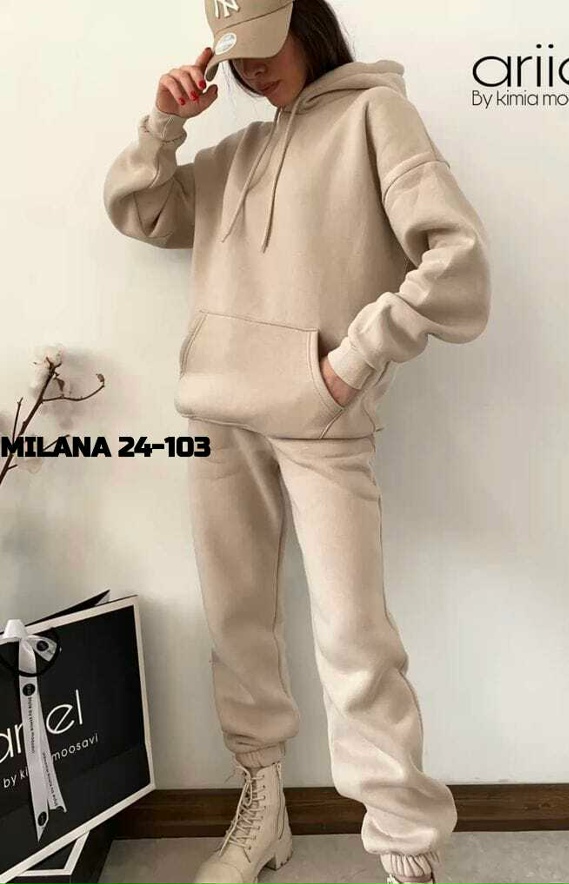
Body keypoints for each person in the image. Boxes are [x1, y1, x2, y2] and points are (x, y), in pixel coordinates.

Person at [102, 1, 491, 882]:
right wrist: (165, 123)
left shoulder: (375, 114)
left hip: (322, 416)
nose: (251, 69)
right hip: (217, 413)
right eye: (234, 56)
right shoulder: (235, 153)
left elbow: (458, 260)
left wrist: (352, 359)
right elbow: (143, 213)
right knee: (238, 621)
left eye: (264, 46)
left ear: (307, 23)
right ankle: (263, 807)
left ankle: (404, 835)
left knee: (355, 637)